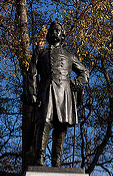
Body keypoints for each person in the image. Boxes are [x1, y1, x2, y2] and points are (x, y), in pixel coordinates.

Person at [27, 21, 89, 167]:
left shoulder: (69, 56)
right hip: (46, 91)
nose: (55, 32)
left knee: (61, 127)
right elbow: (32, 74)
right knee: (44, 123)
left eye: (58, 30)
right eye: (52, 30)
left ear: (62, 35)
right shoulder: (40, 53)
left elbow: (84, 72)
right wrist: (31, 93)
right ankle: (40, 159)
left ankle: (57, 161)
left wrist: (77, 83)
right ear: (48, 34)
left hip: (64, 93)